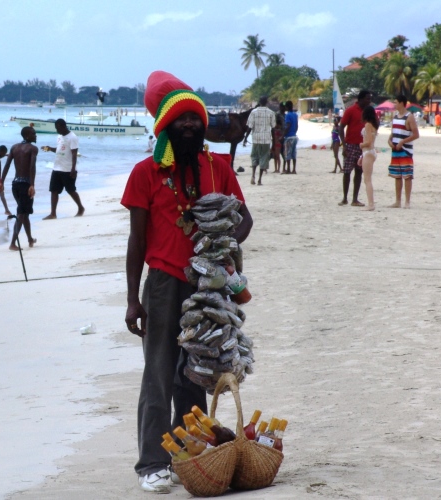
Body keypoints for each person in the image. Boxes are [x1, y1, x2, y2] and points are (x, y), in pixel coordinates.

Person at [122, 70, 253, 494]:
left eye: (195, 118)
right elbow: (137, 240)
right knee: (159, 373)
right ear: (165, 126)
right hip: (162, 284)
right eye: (181, 120)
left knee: (198, 374)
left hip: (208, 287)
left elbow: (245, 219)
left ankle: (187, 454)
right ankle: (152, 463)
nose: (191, 125)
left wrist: (219, 242)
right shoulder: (145, 173)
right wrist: (131, 299)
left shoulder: (219, 168)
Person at [0, 126, 38, 250]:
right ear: (27, 136)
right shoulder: (33, 148)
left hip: (15, 184)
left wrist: (2, 182)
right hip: (25, 185)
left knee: (24, 212)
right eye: (33, 133)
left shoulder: (14, 148)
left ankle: (30, 239)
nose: (35, 135)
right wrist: (32, 185)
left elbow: (7, 165)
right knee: (21, 214)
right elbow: (32, 167)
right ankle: (13, 244)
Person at [42, 119, 85, 219]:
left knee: (71, 190)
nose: (57, 130)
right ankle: (53, 214)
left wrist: (73, 169)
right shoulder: (59, 136)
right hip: (57, 167)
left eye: (57, 128)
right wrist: (49, 149)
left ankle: (81, 208)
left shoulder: (72, 137)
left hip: (68, 169)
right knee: (54, 190)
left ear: (63, 126)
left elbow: (74, 154)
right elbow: (59, 150)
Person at [338, 89, 372, 206]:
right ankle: (344, 198)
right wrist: (343, 145)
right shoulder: (350, 111)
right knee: (347, 172)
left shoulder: (367, 112)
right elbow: (341, 127)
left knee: (358, 172)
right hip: (350, 145)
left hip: (362, 147)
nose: (369, 101)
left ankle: (355, 199)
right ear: (361, 99)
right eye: (367, 98)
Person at [387, 94, 420, 209]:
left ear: (401, 103)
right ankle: (397, 201)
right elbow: (394, 131)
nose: (394, 104)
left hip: (405, 150)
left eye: (395, 102)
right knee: (397, 175)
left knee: (407, 176)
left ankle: (407, 201)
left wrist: (403, 142)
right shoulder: (395, 116)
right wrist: (390, 140)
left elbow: (416, 134)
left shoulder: (409, 117)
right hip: (395, 150)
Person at [244, 96, 276, 185]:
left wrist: (245, 138)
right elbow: (273, 128)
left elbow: (249, 127)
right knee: (264, 157)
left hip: (256, 138)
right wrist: (273, 142)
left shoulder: (253, 112)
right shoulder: (271, 113)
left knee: (254, 157)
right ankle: (259, 180)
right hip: (266, 139)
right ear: (267, 102)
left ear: (259, 102)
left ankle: (253, 175)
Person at [359, 105, 379, 211]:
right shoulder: (374, 125)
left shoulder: (368, 125)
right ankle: (370, 203)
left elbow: (369, 141)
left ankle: (371, 204)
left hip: (368, 151)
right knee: (367, 179)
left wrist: (361, 144)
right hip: (370, 152)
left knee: (367, 180)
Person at [283, 100, 299, 174]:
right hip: (294, 136)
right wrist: (294, 132)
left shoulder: (288, 115)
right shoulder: (295, 115)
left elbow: (288, 126)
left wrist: (283, 135)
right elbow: (296, 126)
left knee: (288, 153)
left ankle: (288, 169)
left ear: (287, 107)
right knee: (293, 153)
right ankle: (294, 169)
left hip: (289, 136)